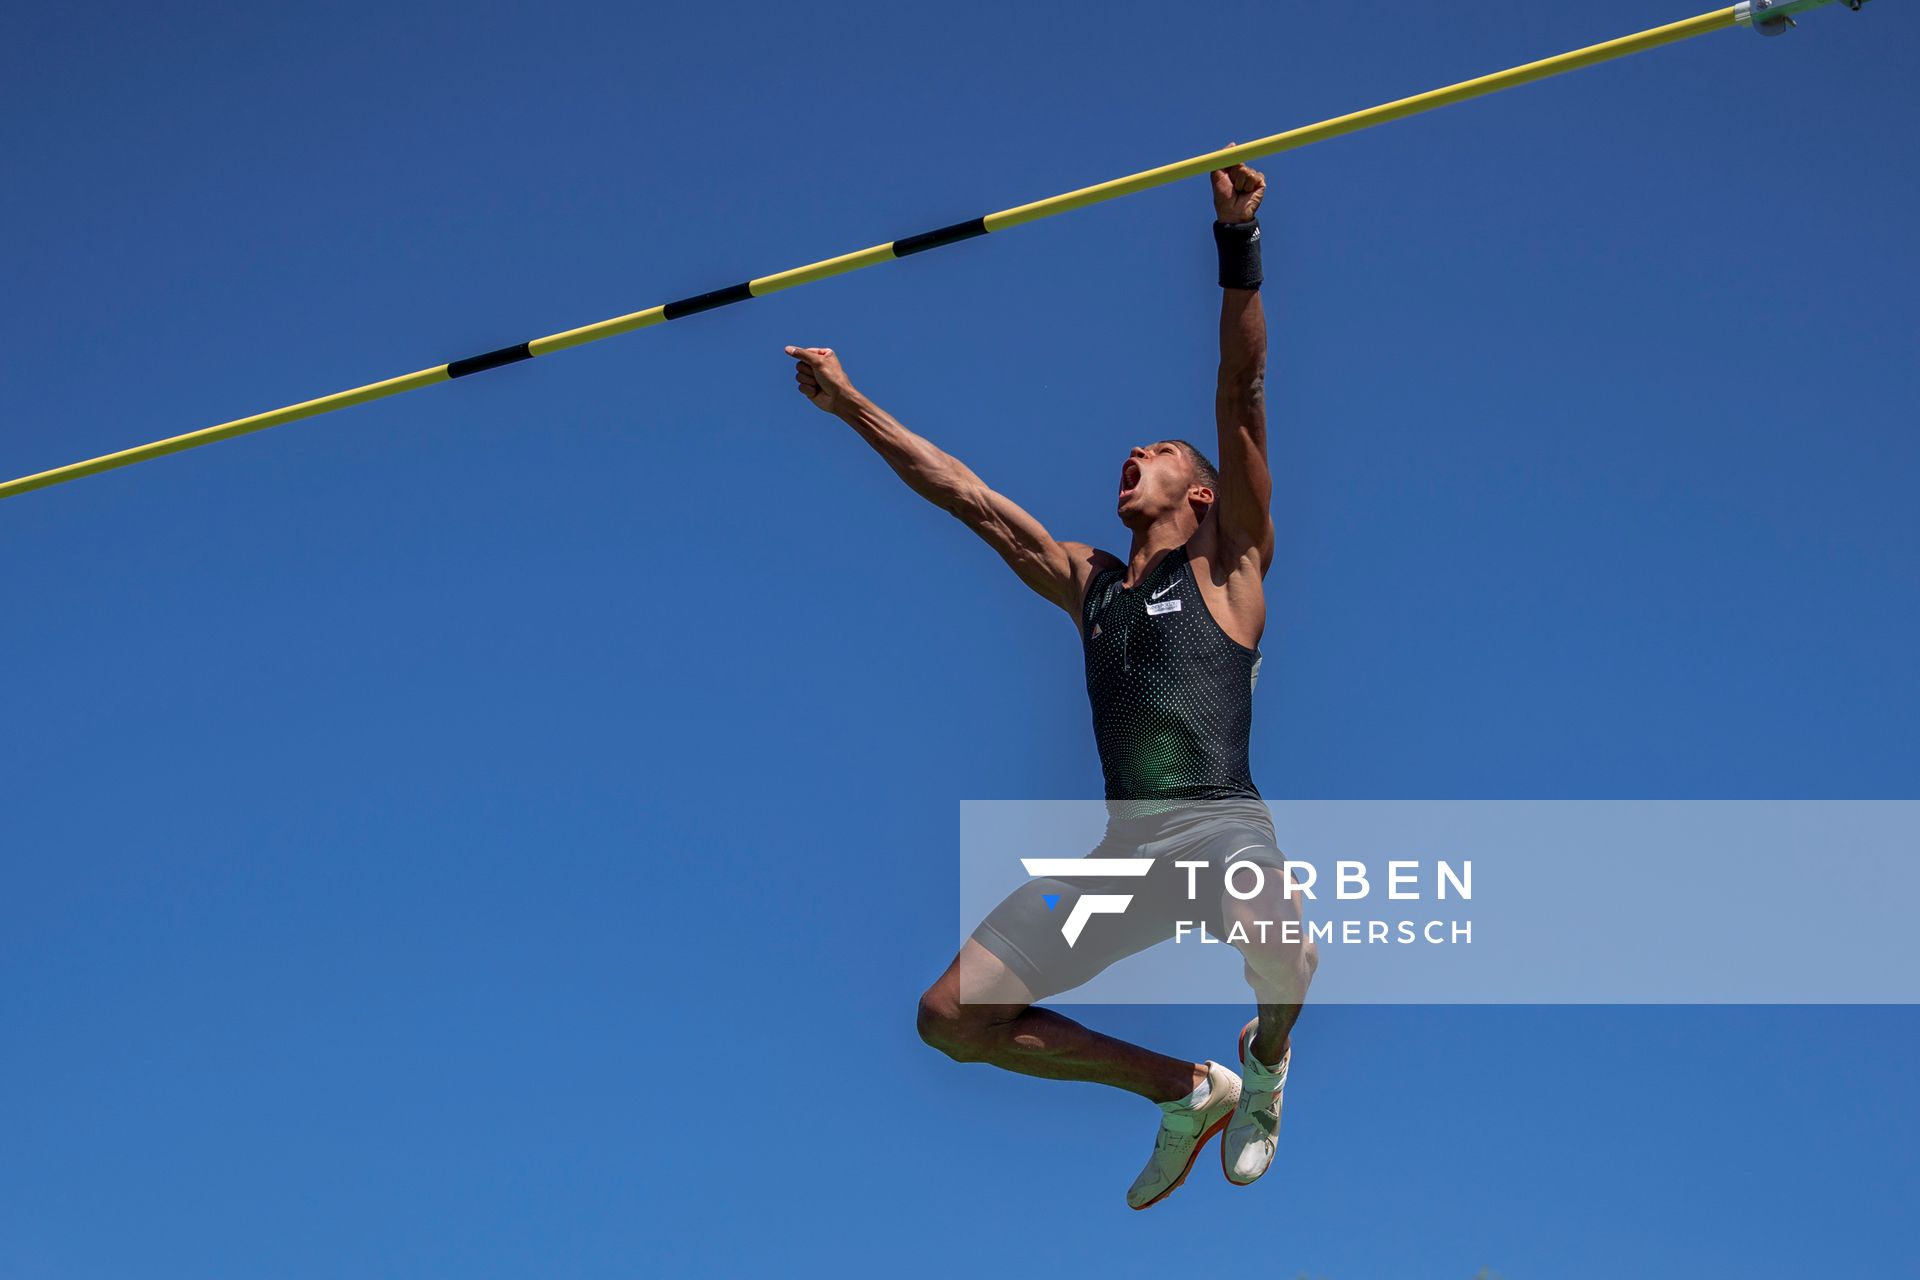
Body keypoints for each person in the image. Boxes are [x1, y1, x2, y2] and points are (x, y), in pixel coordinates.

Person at [782, 157, 1316, 1210]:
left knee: (1286, 944)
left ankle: (1262, 1059)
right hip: (1129, 857)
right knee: (949, 1017)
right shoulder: (1092, 581)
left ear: (1201, 493)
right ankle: (1183, 1087)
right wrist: (848, 405)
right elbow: (970, 498)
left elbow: (1242, 395)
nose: (1131, 452)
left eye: (1157, 451)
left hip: (1221, 829)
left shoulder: (1232, 565)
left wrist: (1237, 243)